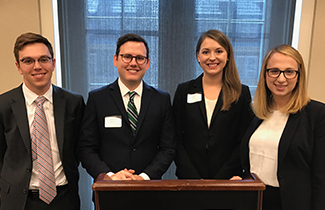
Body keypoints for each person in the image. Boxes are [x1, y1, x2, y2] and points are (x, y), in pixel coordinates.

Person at [0, 32, 85, 210]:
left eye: (43, 59)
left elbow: (81, 148)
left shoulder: (73, 102)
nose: (37, 66)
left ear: (53, 63)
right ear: (18, 66)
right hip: (18, 200)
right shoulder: (3, 105)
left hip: (64, 198)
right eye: (28, 61)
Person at [78, 33, 176, 181]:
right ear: (115, 60)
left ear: (147, 63)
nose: (133, 63)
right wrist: (110, 176)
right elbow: (86, 148)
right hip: (109, 191)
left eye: (140, 58)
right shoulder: (97, 99)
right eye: (127, 57)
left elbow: (168, 148)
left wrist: (144, 177)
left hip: (151, 190)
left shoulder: (161, 100)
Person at [240, 44, 325, 210]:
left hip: (290, 203)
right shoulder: (257, 112)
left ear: (299, 76)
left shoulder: (317, 114)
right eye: (274, 71)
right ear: (265, 75)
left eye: (289, 71)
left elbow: (321, 176)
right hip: (254, 198)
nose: (280, 78)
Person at [173, 29, 254, 179]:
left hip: (228, 179)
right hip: (189, 179)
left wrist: (221, 178)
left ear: (228, 55)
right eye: (205, 52)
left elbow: (244, 140)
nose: (212, 58)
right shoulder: (184, 90)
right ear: (198, 56)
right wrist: (193, 178)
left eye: (218, 51)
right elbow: (176, 138)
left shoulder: (241, 93)